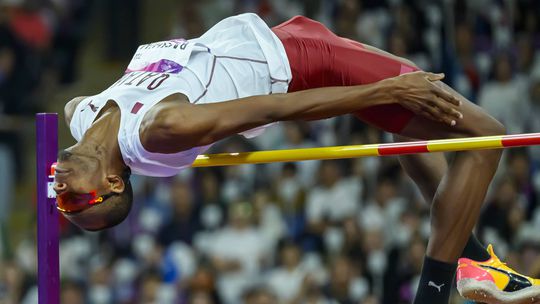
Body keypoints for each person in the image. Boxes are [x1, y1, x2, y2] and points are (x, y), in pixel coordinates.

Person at [52, 13, 538, 303]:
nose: (60, 193)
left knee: (405, 138)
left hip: (283, 38)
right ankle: (438, 292)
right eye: (76, 202)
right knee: (484, 137)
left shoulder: (80, 112)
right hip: (304, 62)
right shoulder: (161, 130)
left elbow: (84, 124)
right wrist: (384, 90)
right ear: (115, 182)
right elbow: (277, 107)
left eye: (61, 199)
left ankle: (473, 260)